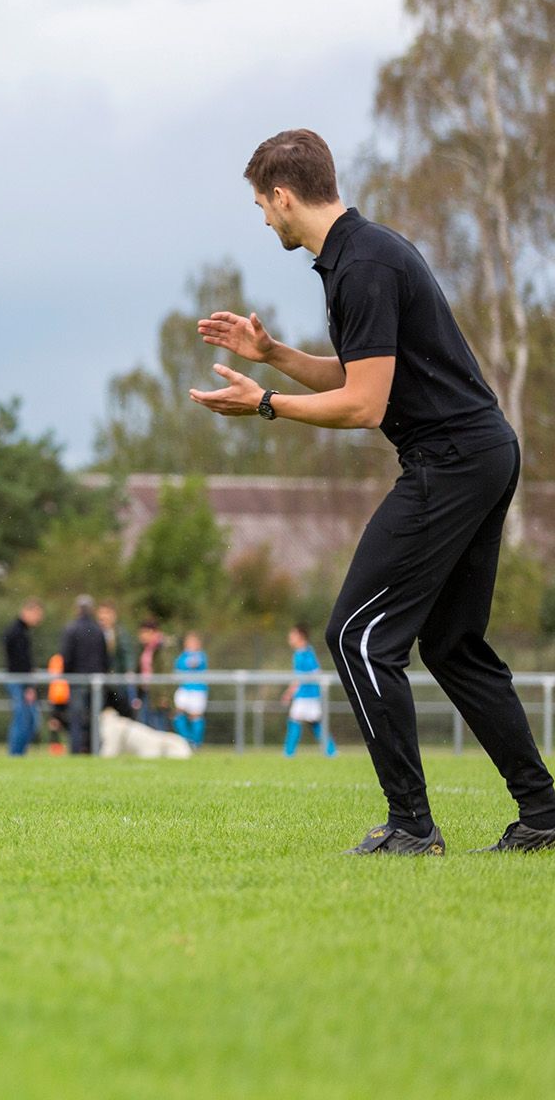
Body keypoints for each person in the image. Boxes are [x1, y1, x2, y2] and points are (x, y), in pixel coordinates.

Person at [194, 129, 555, 853]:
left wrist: (263, 402)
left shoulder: (360, 265)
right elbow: (360, 375)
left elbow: (362, 406)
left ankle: (411, 828)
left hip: (451, 460)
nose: (264, 220)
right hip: (481, 451)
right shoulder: (362, 253)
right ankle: (545, 814)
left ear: (284, 196)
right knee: (451, 644)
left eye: (262, 205)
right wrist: (273, 356)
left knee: (355, 636)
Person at [58, 596, 111, 755]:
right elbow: (105, 657)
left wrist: (67, 676)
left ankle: (75, 751)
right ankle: (93, 751)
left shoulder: (71, 629)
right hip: (96, 681)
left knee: (76, 719)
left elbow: (65, 656)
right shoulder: (98, 630)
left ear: (78, 609)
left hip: (77, 681)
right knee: (94, 719)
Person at [283, 624, 337, 759]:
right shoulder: (309, 651)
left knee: (295, 721)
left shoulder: (301, 655)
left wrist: (288, 693)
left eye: (292, 636)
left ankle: (289, 753)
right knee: (315, 723)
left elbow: (300, 678)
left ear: (300, 637)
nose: (290, 639)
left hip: (305, 695)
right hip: (312, 695)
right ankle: (331, 751)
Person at [3, 600, 43, 756]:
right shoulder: (17, 632)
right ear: (28, 611)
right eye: (37, 615)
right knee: (23, 719)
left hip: (21, 680)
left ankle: (19, 753)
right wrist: (29, 686)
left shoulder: (18, 631)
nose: (38, 620)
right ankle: (16, 754)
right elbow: (20, 661)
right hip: (20, 682)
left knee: (27, 720)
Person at [97, 602, 136, 721]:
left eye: (106, 613)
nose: (103, 617)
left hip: (118, 682)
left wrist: (130, 670)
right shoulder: (94, 632)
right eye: (101, 613)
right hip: (102, 682)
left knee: (123, 714)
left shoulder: (120, 633)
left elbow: (127, 653)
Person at [171, 633, 208, 749]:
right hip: (184, 688)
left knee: (195, 716)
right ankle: (186, 740)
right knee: (177, 714)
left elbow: (193, 664)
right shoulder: (182, 656)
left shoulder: (200, 656)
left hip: (198, 690)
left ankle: (195, 743)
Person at [136, 620, 169, 730]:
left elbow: (165, 672)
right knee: (144, 724)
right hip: (145, 690)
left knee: (157, 725)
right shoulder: (144, 648)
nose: (141, 635)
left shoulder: (161, 649)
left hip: (156, 692)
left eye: (144, 632)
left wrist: (164, 695)